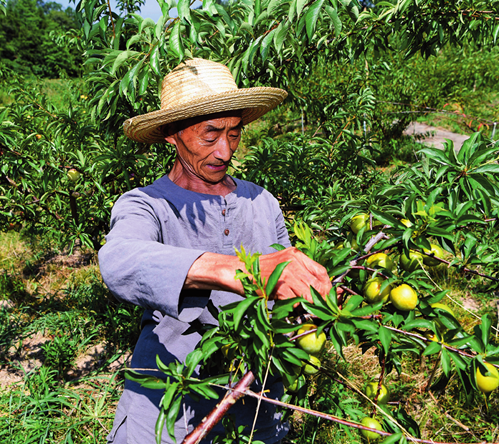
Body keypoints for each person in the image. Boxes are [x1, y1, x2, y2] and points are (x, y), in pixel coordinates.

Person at [99, 58, 332, 444]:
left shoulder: (261, 202)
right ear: (173, 135)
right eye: (210, 136)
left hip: (256, 395)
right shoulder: (146, 204)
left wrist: (313, 300)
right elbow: (120, 259)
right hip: (168, 394)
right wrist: (233, 269)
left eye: (234, 134)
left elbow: (287, 294)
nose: (225, 151)